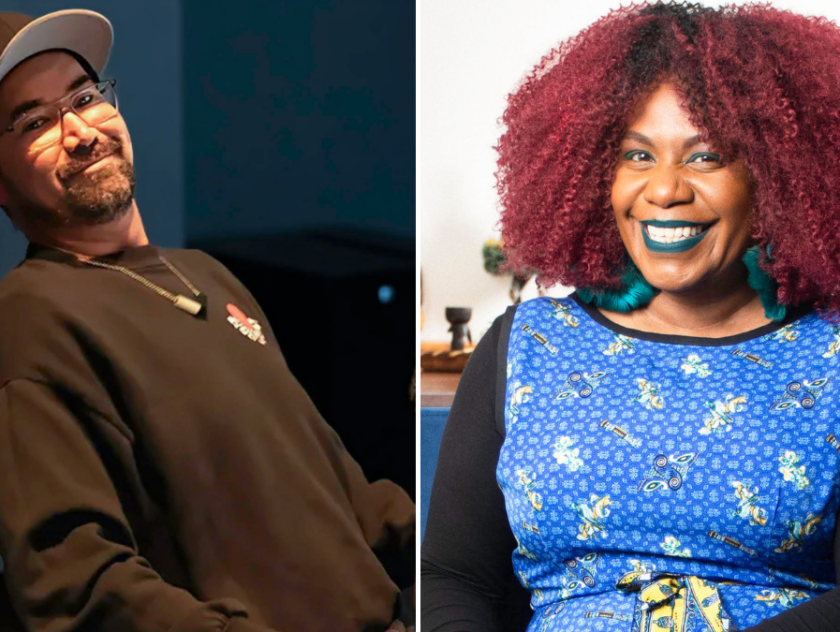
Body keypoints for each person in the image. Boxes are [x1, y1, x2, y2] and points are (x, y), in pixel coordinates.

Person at [421, 2, 840, 631]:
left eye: (706, 157)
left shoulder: (829, 357)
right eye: (636, 156)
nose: (665, 189)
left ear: (776, 178)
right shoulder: (528, 346)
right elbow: (453, 579)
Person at [0, 9, 414, 632]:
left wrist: (453, 545)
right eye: (36, 121)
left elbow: (337, 485)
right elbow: (77, 586)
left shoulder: (206, 275)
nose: (81, 130)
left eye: (85, 97)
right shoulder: (31, 321)